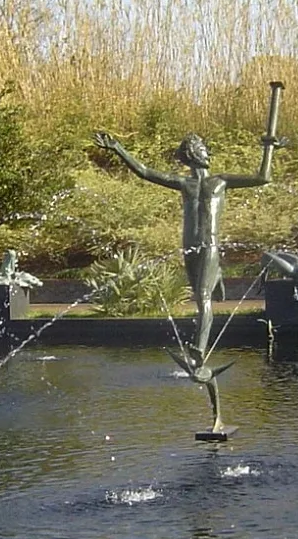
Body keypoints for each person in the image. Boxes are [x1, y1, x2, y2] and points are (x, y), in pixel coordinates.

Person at [93, 126, 278, 366]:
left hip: (209, 244)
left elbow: (263, 177)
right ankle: (216, 277)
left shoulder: (221, 181)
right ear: (192, 154)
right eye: (202, 148)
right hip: (189, 246)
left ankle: (199, 349)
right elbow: (145, 172)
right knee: (199, 294)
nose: (207, 152)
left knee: (202, 298)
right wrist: (118, 148)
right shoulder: (184, 184)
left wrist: (269, 148)